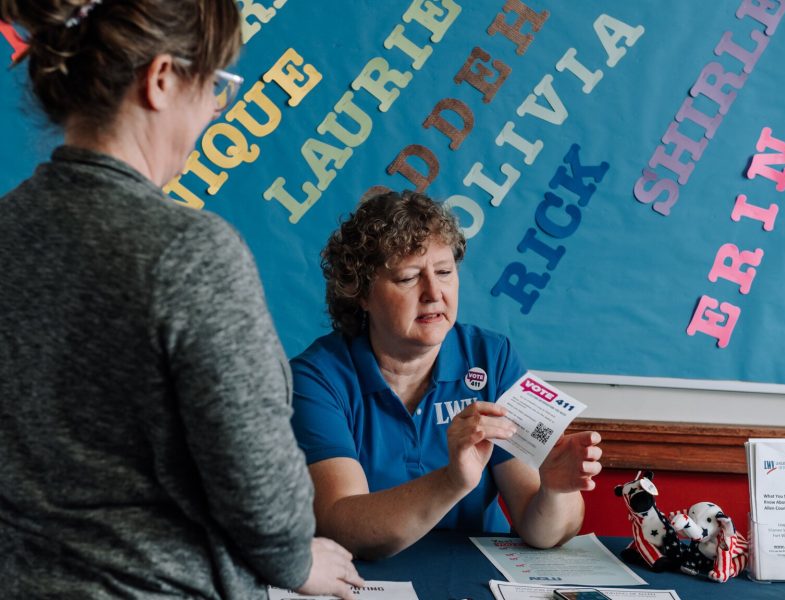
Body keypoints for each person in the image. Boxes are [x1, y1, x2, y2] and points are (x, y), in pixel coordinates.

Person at [0, 1, 362, 598]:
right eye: (215, 84)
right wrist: (296, 561)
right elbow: (261, 490)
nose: (216, 109)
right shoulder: (191, 253)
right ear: (162, 79)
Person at [291, 190, 603, 559]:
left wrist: (554, 490)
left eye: (443, 272)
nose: (433, 293)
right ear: (361, 293)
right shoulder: (316, 377)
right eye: (408, 278)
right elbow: (342, 526)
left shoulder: (492, 358)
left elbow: (544, 531)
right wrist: (454, 481)